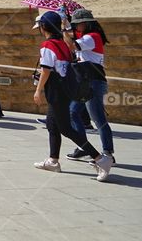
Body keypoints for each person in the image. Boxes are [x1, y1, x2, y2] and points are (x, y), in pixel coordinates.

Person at [31, 11, 112, 180]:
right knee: (52, 125)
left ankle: (100, 159)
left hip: (56, 91)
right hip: (64, 90)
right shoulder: (61, 44)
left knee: (66, 129)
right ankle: (53, 160)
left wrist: (38, 90)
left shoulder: (47, 45)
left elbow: (46, 70)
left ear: (44, 27)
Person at [65, 8, 115, 163]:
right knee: (73, 112)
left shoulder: (93, 37)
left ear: (84, 24)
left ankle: (108, 153)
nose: (76, 27)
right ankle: (84, 147)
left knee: (98, 118)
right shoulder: (87, 36)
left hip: (93, 82)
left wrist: (63, 27)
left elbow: (71, 45)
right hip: (85, 82)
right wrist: (66, 21)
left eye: (77, 24)